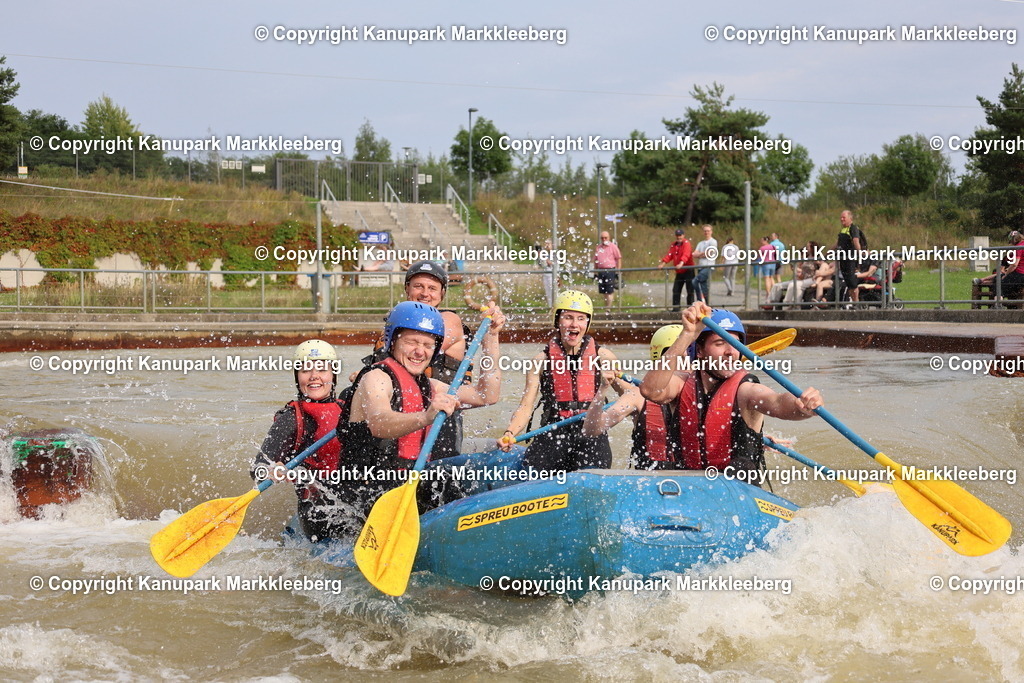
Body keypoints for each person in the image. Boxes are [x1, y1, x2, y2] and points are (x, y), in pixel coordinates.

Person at [334, 301, 505, 538]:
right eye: (412, 342)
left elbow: (487, 395)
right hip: (366, 490)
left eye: (427, 345)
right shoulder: (376, 377)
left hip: (406, 485)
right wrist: (426, 416)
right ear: (393, 341)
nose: (420, 351)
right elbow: (380, 423)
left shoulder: (430, 386)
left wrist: (491, 340)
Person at [639, 303, 823, 483]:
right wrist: (687, 335)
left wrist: (802, 406)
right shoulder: (681, 383)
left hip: (738, 494)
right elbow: (650, 390)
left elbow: (778, 402)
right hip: (689, 486)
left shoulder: (746, 390)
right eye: (720, 343)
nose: (731, 352)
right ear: (700, 351)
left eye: (735, 344)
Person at [352, 261, 471, 458]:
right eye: (418, 286)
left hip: (441, 414)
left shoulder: (448, 320)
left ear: (442, 294)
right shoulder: (396, 325)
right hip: (395, 415)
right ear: (407, 289)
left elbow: (418, 356)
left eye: (432, 288)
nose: (425, 293)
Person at [499, 290, 620, 472]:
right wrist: (510, 433)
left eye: (581, 318)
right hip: (553, 431)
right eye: (568, 317)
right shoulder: (541, 361)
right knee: (532, 475)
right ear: (557, 321)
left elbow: (631, 397)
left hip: (591, 432)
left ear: (588, 323)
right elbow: (526, 406)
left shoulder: (604, 357)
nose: (574, 324)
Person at [250, 339, 347, 541]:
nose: (314, 376)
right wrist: (271, 469)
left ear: (333, 374)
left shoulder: (347, 409)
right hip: (318, 514)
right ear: (297, 377)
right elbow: (257, 468)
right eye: (305, 370)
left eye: (322, 369)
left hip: (352, 499)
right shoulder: (291, 418)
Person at [582, 324, 682, 470]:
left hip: (690, 478)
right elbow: (591, 430)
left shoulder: (702, 393)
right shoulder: (637, 396)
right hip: (650, 480)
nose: (686, 365)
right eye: (678, 358)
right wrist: (602, 389)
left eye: (689, 357)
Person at [832, 210, 865, 304]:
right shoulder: (842, 229)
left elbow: (856, 241)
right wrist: (827, 253)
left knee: (853, 283)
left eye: (844, 217)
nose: (841, 219)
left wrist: (860, 254)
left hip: (850, 260)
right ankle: (854, 303)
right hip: (843, 260)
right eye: (841, 217)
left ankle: (856, 303)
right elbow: (837, 244)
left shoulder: (853, 228)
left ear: (850, 218)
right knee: (849, 283)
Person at [659, 228, 694, 311]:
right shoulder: (674, 245)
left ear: (683, 235)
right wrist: (663, 263)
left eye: (680, 235)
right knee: (676, 289)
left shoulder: (686, 243)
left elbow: (686, 254)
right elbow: (670, 255)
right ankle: (676, 308)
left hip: (688, 269)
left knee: (690, 290)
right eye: (677, 236)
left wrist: (681, 263)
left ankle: (690, 308)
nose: (679, 237)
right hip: (679, 271)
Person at [594, 231, 622, 308]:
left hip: (610, 270)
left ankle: (608, 308)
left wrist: (618, 270)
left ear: (609, 238)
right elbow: (596, 260)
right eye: (602, 238)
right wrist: (595, 272)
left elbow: (618, 258)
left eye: (605, 238)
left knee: (609, 290)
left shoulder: (613, 247)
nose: (604, 239)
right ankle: (606, 306)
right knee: (604, 291)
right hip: (601, 270)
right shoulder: (598, 247)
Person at [693, 224, 718, 304]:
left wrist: (699, 254)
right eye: (705, 231)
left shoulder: (713, 242)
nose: (706, 232)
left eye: (708, 231)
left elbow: (710, 253)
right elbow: (694, 254)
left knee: (695, 281)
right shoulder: (701, 243)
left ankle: (700, 300)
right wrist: (702, 254)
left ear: (711, 232)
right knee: (703, 286)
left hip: (709, 266)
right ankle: (706, 303)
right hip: (701, 267)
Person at [758, 236, 777, 302]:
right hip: (773, 263)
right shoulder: (773, 247)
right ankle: (775, 291)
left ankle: (768, 293)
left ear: (764, 241)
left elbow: (760, 256)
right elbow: (775, 254)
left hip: (766, 263)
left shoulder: (762, 248)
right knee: (771, 277)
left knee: (766, 278)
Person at [538, 239, 555, 307]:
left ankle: (555, 307)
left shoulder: (555, 253)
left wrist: (547, 260)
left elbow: (555, 264)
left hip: (552, 275)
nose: (546, 246)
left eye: (548, 244)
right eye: (545, 244)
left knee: (553, 292)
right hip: (546, 275)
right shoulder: (545, 253)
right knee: (548, 293)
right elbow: (543, 265)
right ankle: (550, 307)